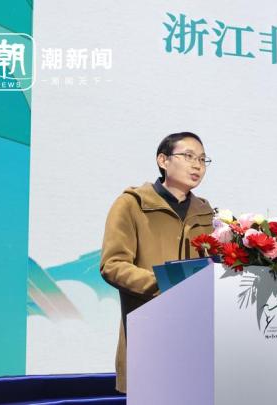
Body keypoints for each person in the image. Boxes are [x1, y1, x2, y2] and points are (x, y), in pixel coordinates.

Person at [100, 132, 215, 393]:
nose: (197, 165)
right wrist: (164, 284)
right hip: (148, 332)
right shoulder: (132, 205)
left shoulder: (206, 213)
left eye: (202, 159)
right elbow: (113, 264)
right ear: (163, 160)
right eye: (188, 156)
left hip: (195, 338)